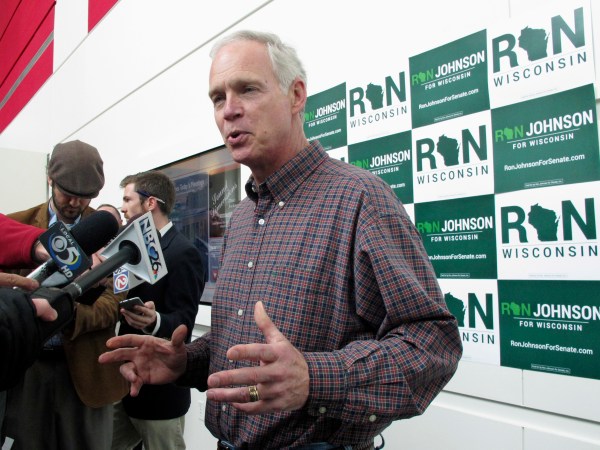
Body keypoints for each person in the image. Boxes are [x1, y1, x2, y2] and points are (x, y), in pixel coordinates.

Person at [100, 30, 463, 449]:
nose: (229, 110)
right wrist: (186, 361)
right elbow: (237, 340)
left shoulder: (361, 199)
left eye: (248, 89)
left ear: (296, 96)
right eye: (218, 98)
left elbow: (433, 345)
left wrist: (314, 378)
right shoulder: (242, 217)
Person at [2, 140, 128, 450]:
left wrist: (63, 313)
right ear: (50, 178)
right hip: (28, 369)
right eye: (67, 193)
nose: (74, 203)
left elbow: (114, 302)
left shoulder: (112, 233)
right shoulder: (15, 224)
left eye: (84, 197)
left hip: (87, 373)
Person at [111, 170, 204, 450]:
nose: (122, 208)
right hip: (122, 387)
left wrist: (154, 321)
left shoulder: (183, 252)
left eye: (128, 200)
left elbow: (184, 320)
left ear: (150, 203)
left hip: (160, 396)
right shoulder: (128, 249)